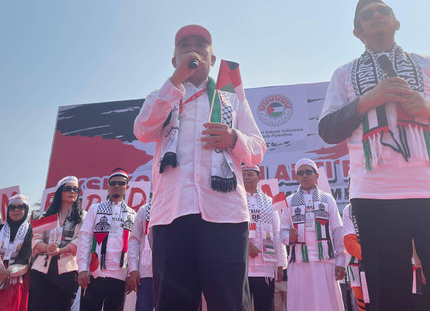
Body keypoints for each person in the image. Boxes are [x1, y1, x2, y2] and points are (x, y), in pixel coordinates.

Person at [318, 0, 430, 311]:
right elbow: (328, 129)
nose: (376, 17)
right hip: (376, 194)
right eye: (367, 15)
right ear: (357, 32)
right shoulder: (343, 74)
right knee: (387, 292)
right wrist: (366, 100)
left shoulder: (428, 65)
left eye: (383, 11)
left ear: (396, 22)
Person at [133, 24, 266, 311]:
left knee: (230, 303)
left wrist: (234, 138)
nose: (192, 49)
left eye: (200, 44)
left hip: (225, 215)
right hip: (172, 213)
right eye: (184, 45)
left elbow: (257, 149)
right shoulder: (161, 97)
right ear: (174, 60)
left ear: (212, 59)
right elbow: (142, 130)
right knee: (172, 304)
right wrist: (175, 82)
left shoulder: (231, 99)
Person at [280, 158, 346, 311]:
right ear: (297, 177)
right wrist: (288, 237)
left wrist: (341, 262)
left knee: (326, 303)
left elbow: (337, 230)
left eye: (308, 172)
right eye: (300, 173)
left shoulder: (328, 199)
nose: (304, 176)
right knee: (302, 304)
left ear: (316, 175)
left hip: (325, 261)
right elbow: (282, 232)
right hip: (299, 262)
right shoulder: (289, 201)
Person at [77, 168, 136, 311]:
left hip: (120, 274)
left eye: (121, 183)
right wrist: (82, 269)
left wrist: (131, 272)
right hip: (95, 272)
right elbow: (85, 238)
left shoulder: (132, 213)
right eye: (113, 183)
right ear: (108, 187)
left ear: (126, 187)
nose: (117, 186)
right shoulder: (95, 209)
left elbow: (134, 245)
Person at [29, 176, 84, 311]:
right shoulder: (46, 215)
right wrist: (47, 247)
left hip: (67, 270)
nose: (73, 192)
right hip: (42, 269)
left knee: (61, 307)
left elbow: (80, 239)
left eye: (76, 189)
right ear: (60, 192)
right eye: (68, 188)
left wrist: (61, 250)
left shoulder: (82, 215)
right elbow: (35, 239)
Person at [242, 164, 287, 311]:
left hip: (265, 267)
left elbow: (277, 233)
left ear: (259, 177)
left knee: (266, 306)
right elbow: (229, 231)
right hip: (243, 266)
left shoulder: (269, 202)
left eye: (250, 174)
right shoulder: (236, 200)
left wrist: (280, 264)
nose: (247, 177)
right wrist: (245, 245)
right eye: (244, 174)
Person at [127, 196, 153, 310]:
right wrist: (133, 269)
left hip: (171, 273)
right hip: (146, 273)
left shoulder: (176, 208)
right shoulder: (145, 209)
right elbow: (134, 240)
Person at [341, 203, 366, 311]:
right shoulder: (349, 209)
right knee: (363, 305)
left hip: (383, 263)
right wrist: (370, 256)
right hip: (357, 266)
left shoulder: (382, 203)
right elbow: (349, 242)